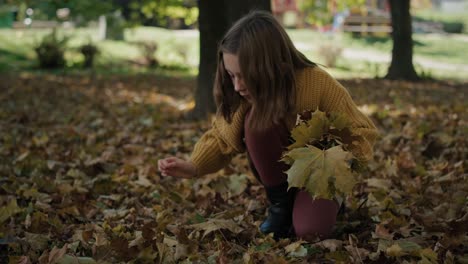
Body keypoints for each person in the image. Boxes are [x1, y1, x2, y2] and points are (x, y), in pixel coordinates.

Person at [158, 10, 378, 241]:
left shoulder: (316, 83)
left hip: (321, 173)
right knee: (258, 121)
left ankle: (327, 203)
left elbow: (362, 132)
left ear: (271, 67)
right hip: (283, 178)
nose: (237, 86)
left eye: (245, 76)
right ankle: (281, 207)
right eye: (232, 75)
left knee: (310, 232)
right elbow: (222, 136)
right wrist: (193, 166)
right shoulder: (243, 96)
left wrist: (333, 164)